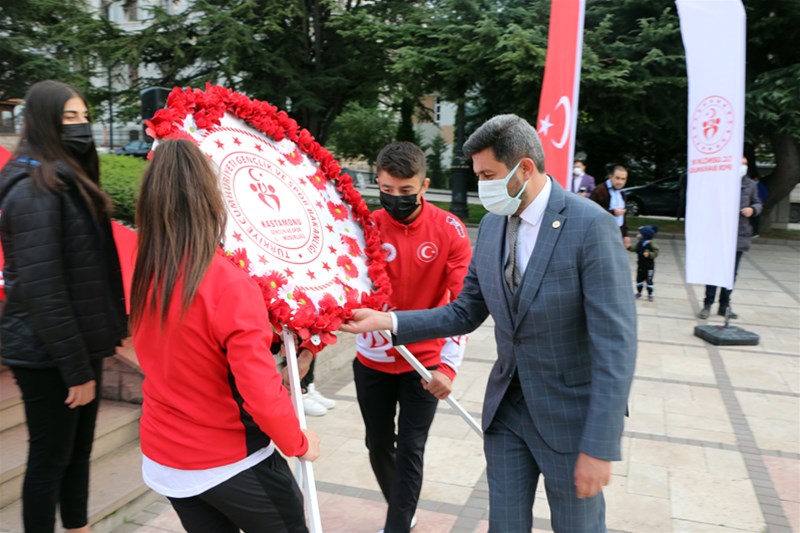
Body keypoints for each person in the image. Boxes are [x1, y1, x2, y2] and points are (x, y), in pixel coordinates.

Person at [341, 115, 637, 532]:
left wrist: (601, 445)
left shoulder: (590, 227)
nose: (482, 185)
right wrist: (389, 320)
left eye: (488, 175)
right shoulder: (496, 223)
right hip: (507, 414)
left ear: (525, 169)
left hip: (568, 419)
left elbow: (615, 344)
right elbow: (465, 311)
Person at [130, 139, 320, 533]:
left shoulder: (144, 268)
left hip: (166, 456)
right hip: (230, 457)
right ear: (211, 198)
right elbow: (261, 394)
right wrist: (298, 442)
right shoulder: (228, 283)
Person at [0, 80, 128, 533]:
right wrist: (76, 370)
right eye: (69, 117)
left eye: (84, 116)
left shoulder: (64, 175)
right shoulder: (34, 189)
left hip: (74, 346)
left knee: (77, 452)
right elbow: (42, 289)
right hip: (47, 352)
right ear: (43, 122)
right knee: (49, 462)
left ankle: (78, 527)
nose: (81, 125)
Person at [354, 141, 472, 533]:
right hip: (372, 359)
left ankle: (399, 523)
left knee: (411, 447)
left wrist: (449, 370)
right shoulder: (365, 226)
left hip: (424, 360)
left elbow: (463, 309)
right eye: (386, 190)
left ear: (425, 185)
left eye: (406, 191)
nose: (395, 199)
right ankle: (401, 505)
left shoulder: (449, 231)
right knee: (377, 443)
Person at [698, 156, 762, 320]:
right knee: (714, 270)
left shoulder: (751, 185)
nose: (743, 167)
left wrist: (752, 210)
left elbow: (758, 203)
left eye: (745, 164)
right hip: (720, 233)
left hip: (739, 234)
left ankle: (724, 305)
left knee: (731, 273)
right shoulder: (722, 182)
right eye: (740, 164)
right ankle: (707, 304)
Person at [590, 165, 631, 248]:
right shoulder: (600, 190)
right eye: (617, 178)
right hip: (601, 233)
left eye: (623, 179)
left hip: (616, 233)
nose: (620, 182)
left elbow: (623, 217)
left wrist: (625, 235)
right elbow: (591, 209)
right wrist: (612, 212)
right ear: (611, 177)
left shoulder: (622, 193)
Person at [629, 225, 659, 301]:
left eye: (639, 234)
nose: (638, 235)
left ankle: (650, 294)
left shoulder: (652, 244)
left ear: (645, 235)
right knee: (639, 279)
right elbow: (634, 248)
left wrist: (649, 254)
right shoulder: (640, 243)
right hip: (640, 265)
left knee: (649, 280)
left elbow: (656, 253)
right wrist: (628, 247)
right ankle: (639, 292)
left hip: (649, 267)